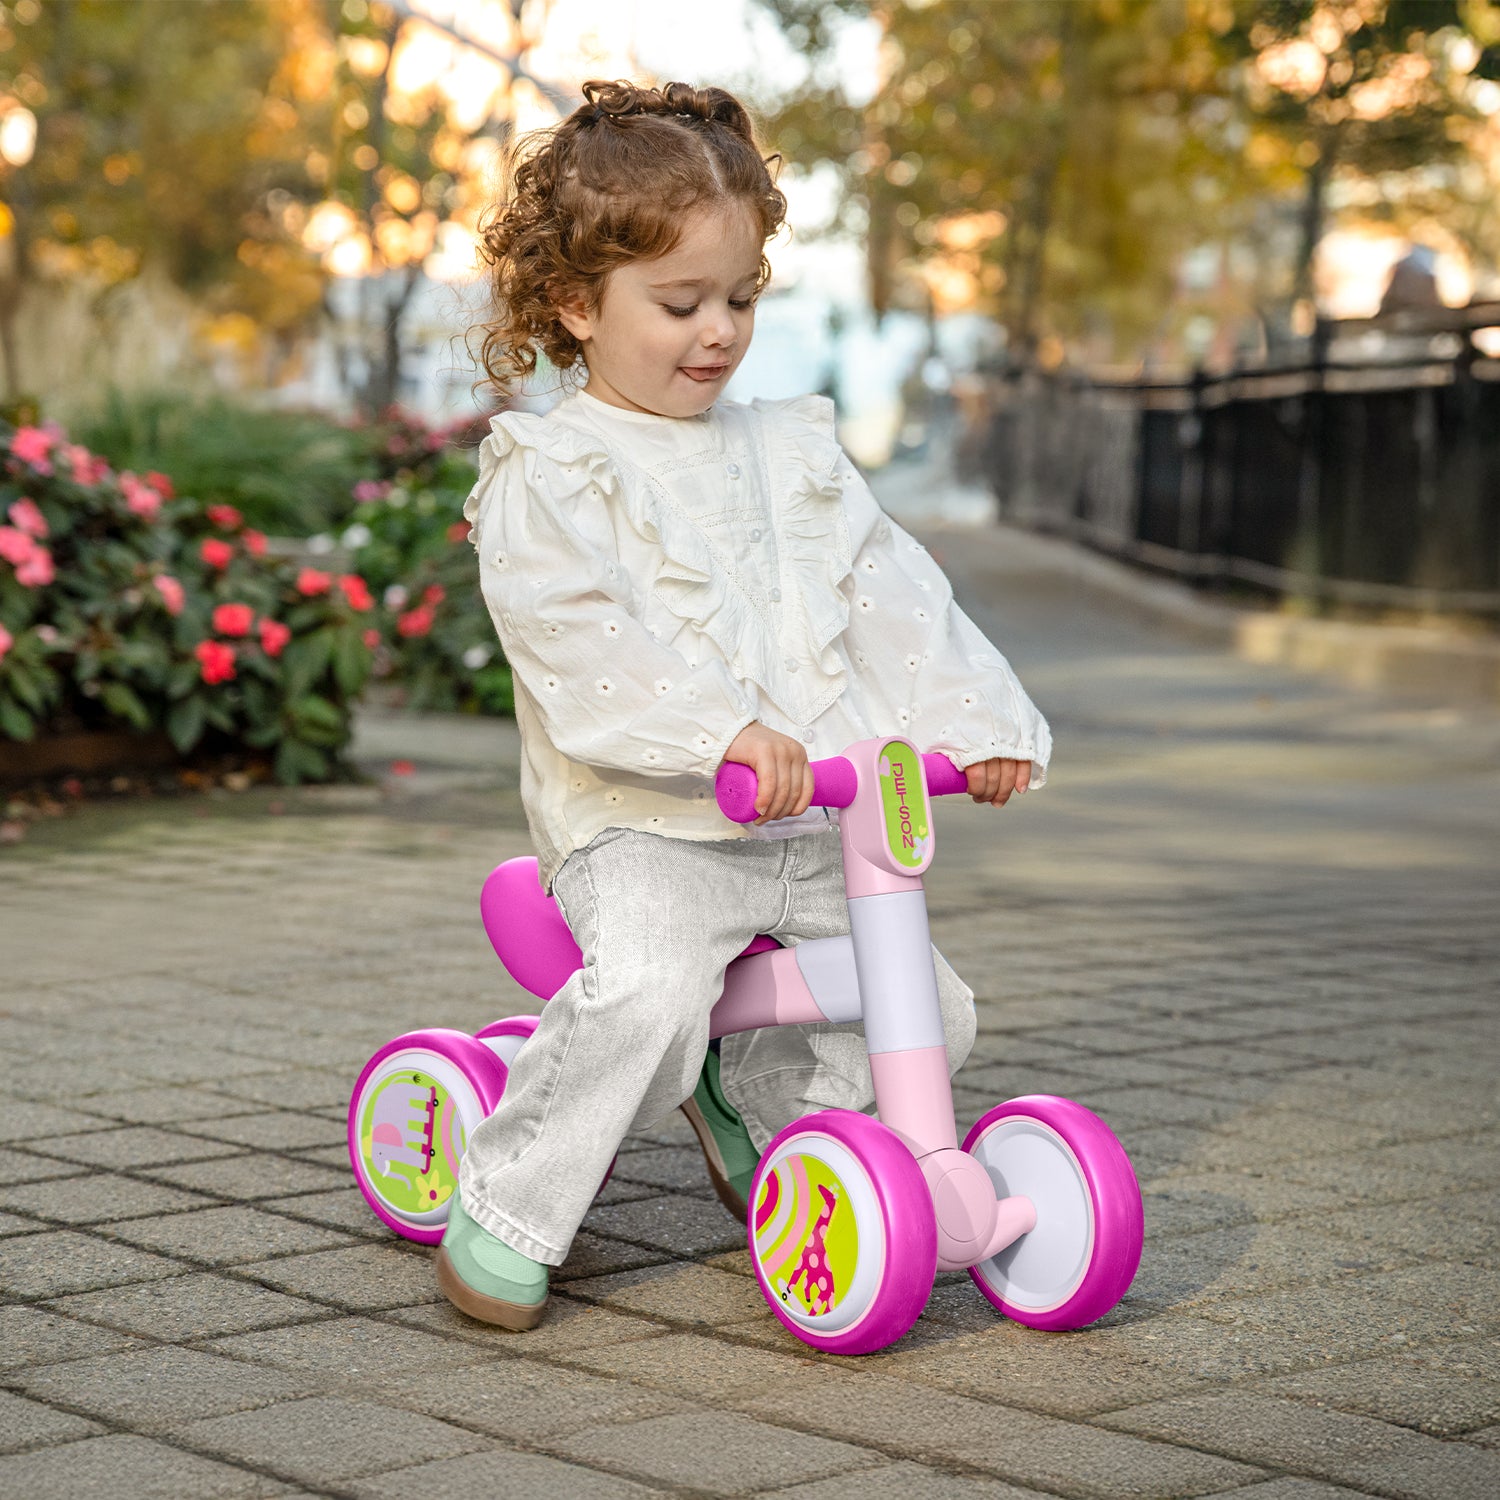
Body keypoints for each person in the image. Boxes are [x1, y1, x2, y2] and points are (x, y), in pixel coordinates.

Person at [440, 79, 1052, 1329]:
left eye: (740, 297)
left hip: (810, 820)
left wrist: (977, 724)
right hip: (646, 828)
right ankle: (508, 1201)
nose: (717, 331)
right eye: (680, 304)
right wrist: (718, 734)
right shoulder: (551, 472)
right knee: (652, 988)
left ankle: (792, 1137)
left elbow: (888, 591)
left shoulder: (789, 452)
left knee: (928, 1006)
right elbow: (580, 638)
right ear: (576, 303)